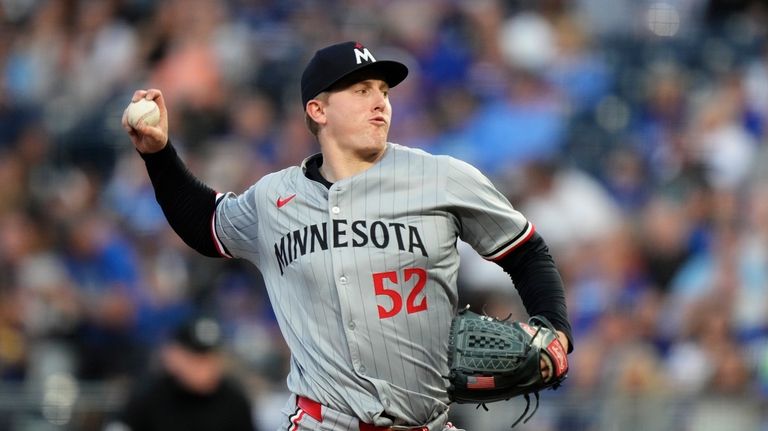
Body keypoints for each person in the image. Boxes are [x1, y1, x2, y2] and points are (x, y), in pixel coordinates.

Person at [122, 41, 573, 431]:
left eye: (383, 91)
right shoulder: (275, 197)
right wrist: (159, 155)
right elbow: (206, 225)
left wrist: (557, 329)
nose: (380, 102)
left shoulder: (441, 177)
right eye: (360, 91)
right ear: (318, 110)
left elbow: (526, 250)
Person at [106, 316, 257, 431]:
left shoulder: (235, 402)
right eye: (196, 357)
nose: (206, 366)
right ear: (174, 355)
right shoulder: (150, 397)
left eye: (211, 357)